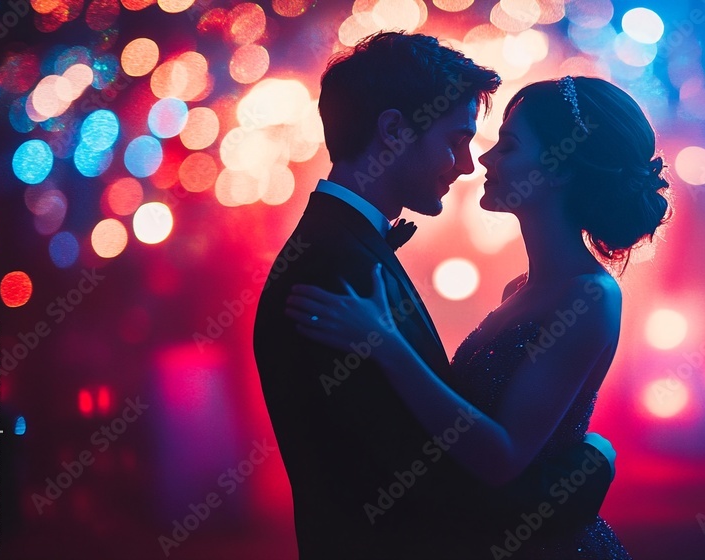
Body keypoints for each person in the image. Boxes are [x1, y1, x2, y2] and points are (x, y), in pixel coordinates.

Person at [252, 33, 618, 560]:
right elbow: (435, 488)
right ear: (394, 130)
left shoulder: (349, 252)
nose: (470, 164)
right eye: (456, 139)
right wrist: (589, 466)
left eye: (501, 145)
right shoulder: (337, 271)